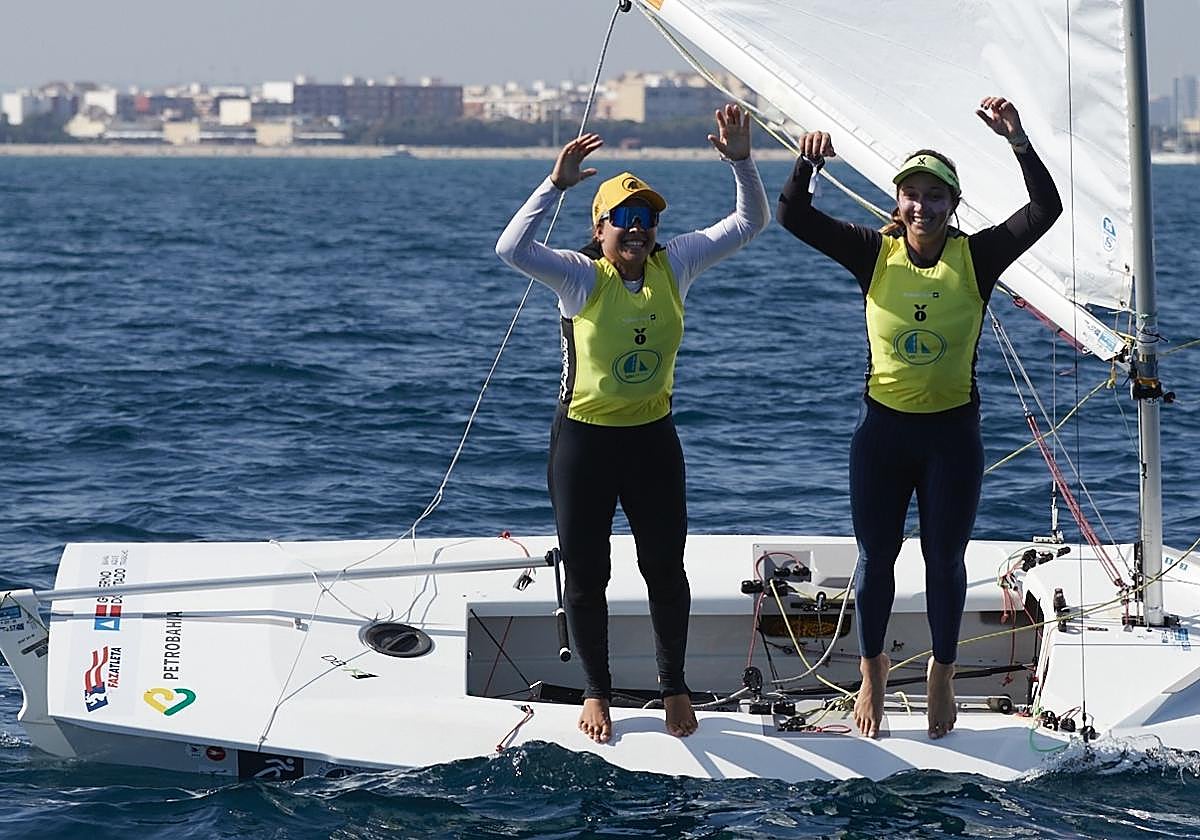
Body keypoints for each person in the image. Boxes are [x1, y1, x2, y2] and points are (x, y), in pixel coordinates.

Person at [776, 97, 1062, 739]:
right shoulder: (871, 255)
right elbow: (794, 216)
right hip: (883, 435)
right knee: (877, 557)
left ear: (953, 206)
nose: (922, 207)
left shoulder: (977, 259)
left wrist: (1017, 139)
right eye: (911, 195)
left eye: (936, 196)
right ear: (897, 201)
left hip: (951, 439)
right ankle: (872, 672)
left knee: (944, 559)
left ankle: (941, 671)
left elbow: (1046, 210)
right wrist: (806, 163)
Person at [496, 104, 769, 743]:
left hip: (652, 442)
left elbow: (750, 222)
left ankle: (674, 687)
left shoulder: (677, 265)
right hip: (584, 444)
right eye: (625, 218)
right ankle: (597, 693)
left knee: (665, 571)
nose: (638, 229)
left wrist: (741, 161)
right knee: (590, 578)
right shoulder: (578, 276)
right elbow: (511, 248)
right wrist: (555, 185)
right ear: (601, 226)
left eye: (647, 219)